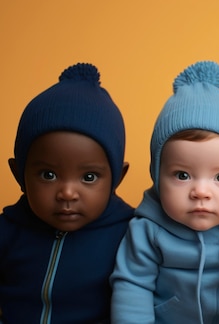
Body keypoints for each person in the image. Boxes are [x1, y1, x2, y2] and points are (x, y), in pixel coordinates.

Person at [109, 60, 219, 323]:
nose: (201, 191)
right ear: (158, 176)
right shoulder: (148, 229)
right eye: (182, 175)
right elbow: (132, 287)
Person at [0, 62, 133, 323]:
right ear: (19, 174)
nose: (68, 193)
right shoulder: (7, 231)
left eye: (89, 177)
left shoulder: (132, 235)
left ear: (117, 178)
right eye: (48, 175)